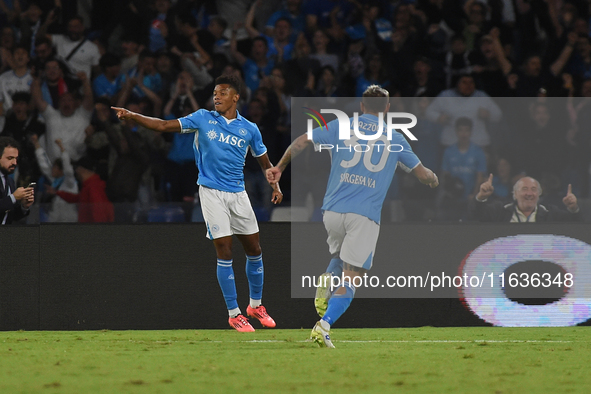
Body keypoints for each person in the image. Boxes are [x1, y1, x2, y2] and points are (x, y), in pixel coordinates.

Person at [266, 85, 439, 347]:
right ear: (388, 109)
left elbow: (301, 141)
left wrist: (279, 167)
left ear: (361, 106)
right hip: (364, 216)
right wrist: (434, 180)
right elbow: (423, 174)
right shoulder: (395, 137)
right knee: (353, 277)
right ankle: (323, 326)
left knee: (340, 257)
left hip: (332, 212)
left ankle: (328, 277)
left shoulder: (340, 125)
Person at [111, 74, 283, 332]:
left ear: (236, 97)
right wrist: (133, 115)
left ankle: (255, 306)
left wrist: (274, 183)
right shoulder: (202, 118)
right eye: (215, 92)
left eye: (223, 92)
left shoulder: (250, 129)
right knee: (224, 250)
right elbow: (163, 126)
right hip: (211, 192)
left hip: (238, 193)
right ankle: (234, 313)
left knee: (255, 249)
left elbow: (264, 161)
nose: (217, 96)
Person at [472, 175, 580, 222]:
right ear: (515, 194)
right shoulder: (500, 210)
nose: (529, 193)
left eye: (533, 189)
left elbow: (577, 227)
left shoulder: (550, 213)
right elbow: (475, 217)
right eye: (524, 189)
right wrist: (481, 198)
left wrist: (573, 208)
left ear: (539, 194)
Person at [51, 156, 114, 223]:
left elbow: (99, 215)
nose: (76, 171)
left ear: (82, 170)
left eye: (77, 168)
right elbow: (76, 198)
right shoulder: (88, 186)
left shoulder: (94, 188)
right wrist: (57, 192)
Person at [0, 136, 35, 224]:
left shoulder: (10, 181)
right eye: (10, 158)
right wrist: (13, 197)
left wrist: (24, 206)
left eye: (16, 158)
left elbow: (10, 216)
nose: (14, 163)